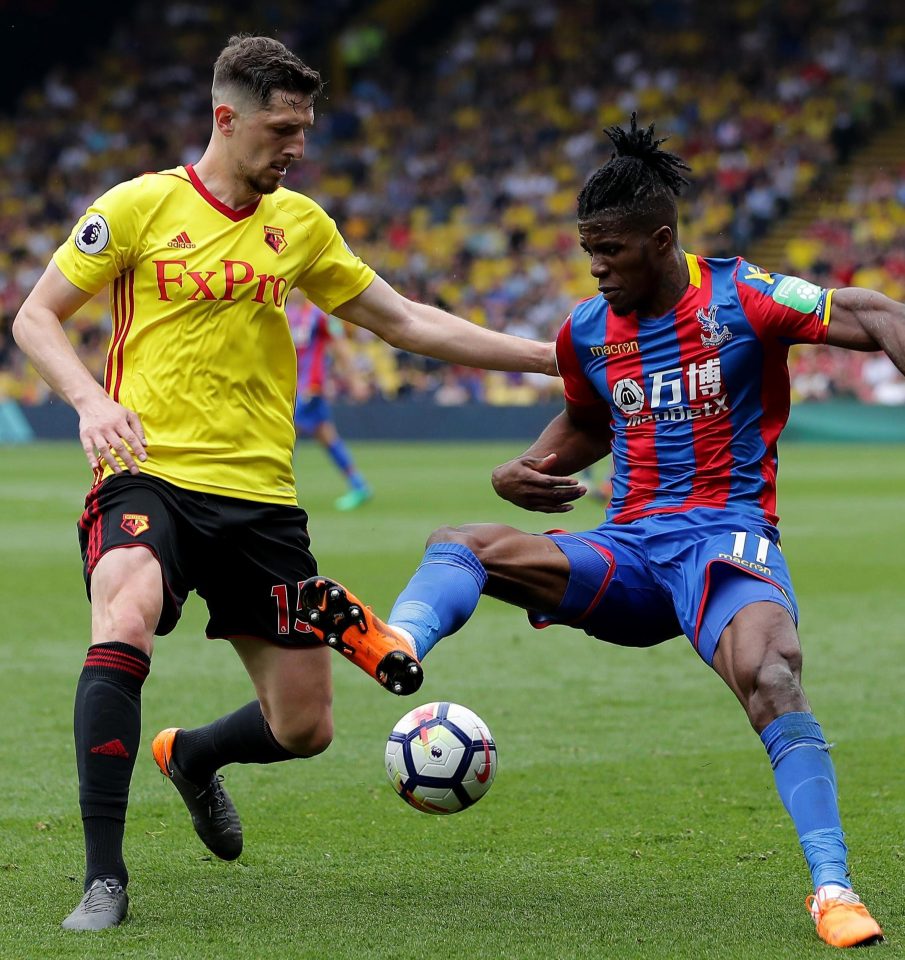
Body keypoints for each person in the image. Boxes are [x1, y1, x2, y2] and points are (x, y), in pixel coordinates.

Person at [299, 116, 905, 949]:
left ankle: (832, 889)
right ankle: (394, 643)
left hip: (720, 542)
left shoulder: (743, 295)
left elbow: (874, 311)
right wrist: (521, 470)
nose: (595, 267)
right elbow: (584, 425)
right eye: (588, 249)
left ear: (661, 241)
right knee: (465, 540)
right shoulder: (586, 331)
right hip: (627, 550)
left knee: (772, 673)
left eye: (610, 251)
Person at [11, 34, 555, 931]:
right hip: (146, 472)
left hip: (259, 495)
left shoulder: (298, 224)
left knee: (304, 728)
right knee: (126, 613)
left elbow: (405, 320)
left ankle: (190, 756)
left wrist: (545, 358)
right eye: (282, 128)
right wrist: (87, 401)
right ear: (226, 118)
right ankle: (103, 877)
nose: (296, 146)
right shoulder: (140, 206)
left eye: (304, 129)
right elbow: (37, 317)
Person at [288, 295, 373, 511]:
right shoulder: (285, 311)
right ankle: (358, 484)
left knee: (284, 435)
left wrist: (355, 379)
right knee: (326, 436)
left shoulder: (318, 314)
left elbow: (340, 345)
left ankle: (279, 492)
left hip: (310, 387)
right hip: (293, 387)